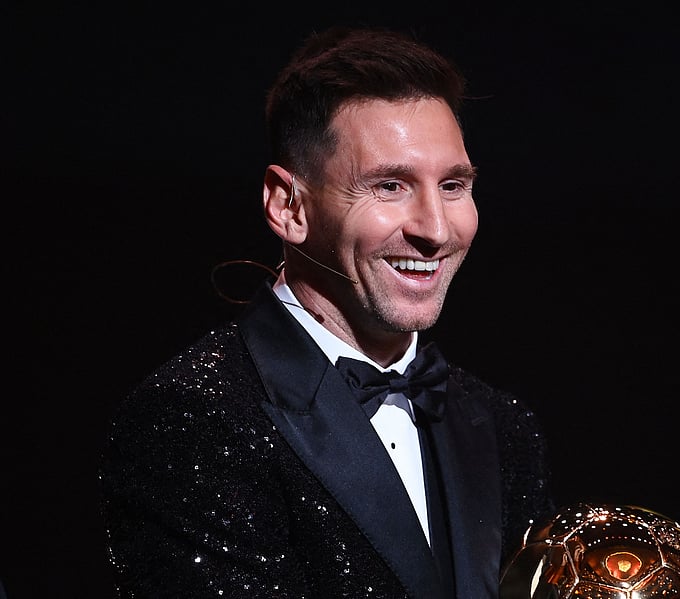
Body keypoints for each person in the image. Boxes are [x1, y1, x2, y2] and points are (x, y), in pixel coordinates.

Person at [99, 25, 555, 598]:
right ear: (289, 207)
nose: (435, 230)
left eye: (454, 185)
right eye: (390, 186)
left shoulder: (503, 428)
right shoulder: (193, 420)